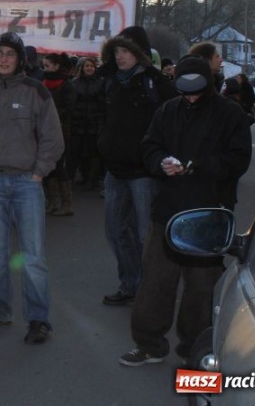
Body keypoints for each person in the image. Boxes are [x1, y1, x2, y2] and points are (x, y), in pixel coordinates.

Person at [119, 56, 251, 365]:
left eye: (196, 91)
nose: (190, 97)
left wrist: (196, 167)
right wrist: (160, 162)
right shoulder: (168, 110)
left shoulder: (230, 114)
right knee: (155, 282)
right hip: (168, 209)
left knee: (201, 288)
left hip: (208, 213)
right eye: (185, 91)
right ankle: (149, 344)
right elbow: (149, 145)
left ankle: (195, 350)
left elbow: (237, 160)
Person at [0, 32, 64, 345]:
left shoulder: (36, 91)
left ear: (20, 58)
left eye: (10, 53)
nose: (4, 59)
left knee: (32, 256)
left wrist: (38, 173)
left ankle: (38, 319)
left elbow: (53, 138)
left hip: (26, 184)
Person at [97, 26, 177, 307]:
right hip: (115, 170)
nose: (120, 57)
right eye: (117, 50)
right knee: (115, 230)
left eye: (126, 51)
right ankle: (130, 284)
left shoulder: (157, 84)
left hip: (144, 173)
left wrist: (160, 160)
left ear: (139, 54)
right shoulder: (110, 81)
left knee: (148, 236)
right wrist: (103, 146)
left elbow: (171, 126)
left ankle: (153, 289)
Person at [41, 53, 76, 216]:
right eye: (44, 66)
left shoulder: (66, 84)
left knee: (61, 167)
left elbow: (68, 108)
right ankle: (53, 202)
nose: (45, 69)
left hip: (62, 131)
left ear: (56, 66)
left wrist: (51, 115)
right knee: (49, 168)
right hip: (44, 131)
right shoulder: (43, 83)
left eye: (47, 65)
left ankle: (67, 204)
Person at [68, 57, 104, 190]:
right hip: (78, 122)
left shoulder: (100, 83)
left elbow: (102, 104)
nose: (89, 68)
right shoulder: (74, 83)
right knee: (75, 152)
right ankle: (72, 179)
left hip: (94, 122)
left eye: (91, 66)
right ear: (82, 68)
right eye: (87, 66)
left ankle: (91, 179)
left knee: (93, 153)